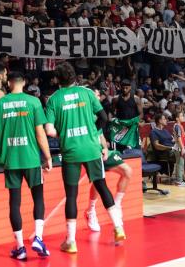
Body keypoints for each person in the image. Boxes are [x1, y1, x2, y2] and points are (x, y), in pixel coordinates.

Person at [44, 62, 125, 253]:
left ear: (57, 80)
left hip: (71, 150)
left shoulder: (54, 99)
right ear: (74, 77)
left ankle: (71, 241)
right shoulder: (87, 93)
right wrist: (92, 132)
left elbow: (49, 130)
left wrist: (63, 134)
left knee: (71, 195)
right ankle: (118, 228)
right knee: (101, 186)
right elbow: (104, 118)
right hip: (91, 148)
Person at [0, 72, 53, 260]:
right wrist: (48, 157)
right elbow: (40, 133)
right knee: (38, 197)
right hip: (31, 159)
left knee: (14, 202)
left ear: (9, 83)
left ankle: (20, 248)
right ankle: (38, 238)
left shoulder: (0, 103)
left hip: (11, 160)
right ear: (24, 82)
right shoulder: (33, 102)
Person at [86, 88, 133, 232]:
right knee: (99, 181)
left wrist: (105, 148)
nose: (98, 97)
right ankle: (91, 211)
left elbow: (100, 135)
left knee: (127, 171)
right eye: (95, 94)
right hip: (90, 152)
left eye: (98, 95)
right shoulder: (84, 112)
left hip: (102, 151)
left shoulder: (97, 113)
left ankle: (117, 204)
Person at [108, 79, 143, 150]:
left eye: (126, 88)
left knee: (131, 147)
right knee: (117, 146)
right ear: (120, 87)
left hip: (131, 126)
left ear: (130, 87)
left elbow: (141, 114)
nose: (124, 90)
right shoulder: (116, 99)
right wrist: (110, 120)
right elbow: (111, 112)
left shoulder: (136, 99)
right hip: (120, 126)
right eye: (123, 88)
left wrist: (137, 121)